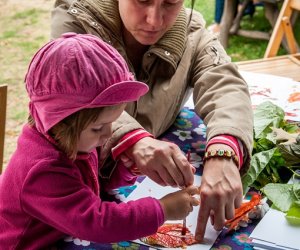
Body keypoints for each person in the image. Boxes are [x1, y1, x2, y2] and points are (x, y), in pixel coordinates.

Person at [51, 0, 254, 242]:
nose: (154, 20)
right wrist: (133, 140)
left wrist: (223, 151)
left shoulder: (192, 32)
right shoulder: (77, 20)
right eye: (142, 0)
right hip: (67, 202)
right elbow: (71, 96)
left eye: (171, 3)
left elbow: (225, 85)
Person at [0, 33, 200, 249]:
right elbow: (97, 222)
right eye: (98, 128)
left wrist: (123, 170)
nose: (107, 135)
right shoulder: (43, 170)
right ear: (61, 121)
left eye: (112, 123)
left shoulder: (71, 140)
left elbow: (83, 186)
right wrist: (162, 210)